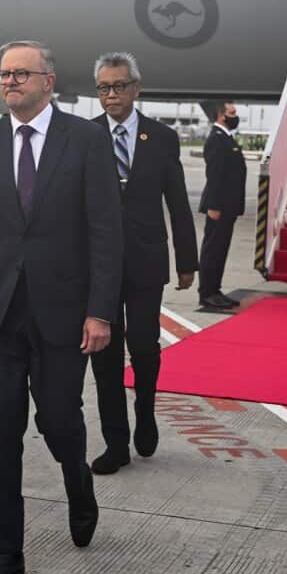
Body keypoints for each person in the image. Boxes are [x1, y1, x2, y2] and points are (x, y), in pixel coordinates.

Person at [0, 40, 121, 574]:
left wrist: (100, 312)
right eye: (3, 74)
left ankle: (78, 480)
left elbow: (105, 232)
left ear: (49, 81)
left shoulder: (86, 139)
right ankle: (6, 554)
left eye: (20, 74)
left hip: (63, 313)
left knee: (58, 420)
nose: (9, 82)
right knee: (0, 433)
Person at [88, 52, 198, 475]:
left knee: (144, 345)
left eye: (118, 86)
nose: (111, 95)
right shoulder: (87, 135)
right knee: (104, 351)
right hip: (98, 264)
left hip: (146, 258)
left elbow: (178, 201)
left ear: (136, 88)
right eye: (103, 88)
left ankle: (146, 411)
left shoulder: (162, 137)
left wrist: (187, 260)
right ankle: (115, 442)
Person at [197, 100, 245, 310]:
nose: (235, 117)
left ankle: (215, 290)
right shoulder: (217, 139)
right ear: (221, 116)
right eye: (232, 113)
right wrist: (214, 205)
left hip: (227, 206)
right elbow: (215, 175)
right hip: (219, 206)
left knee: (220, 249)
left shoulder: (226, 137)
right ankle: (207, 293)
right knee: (213, 250)